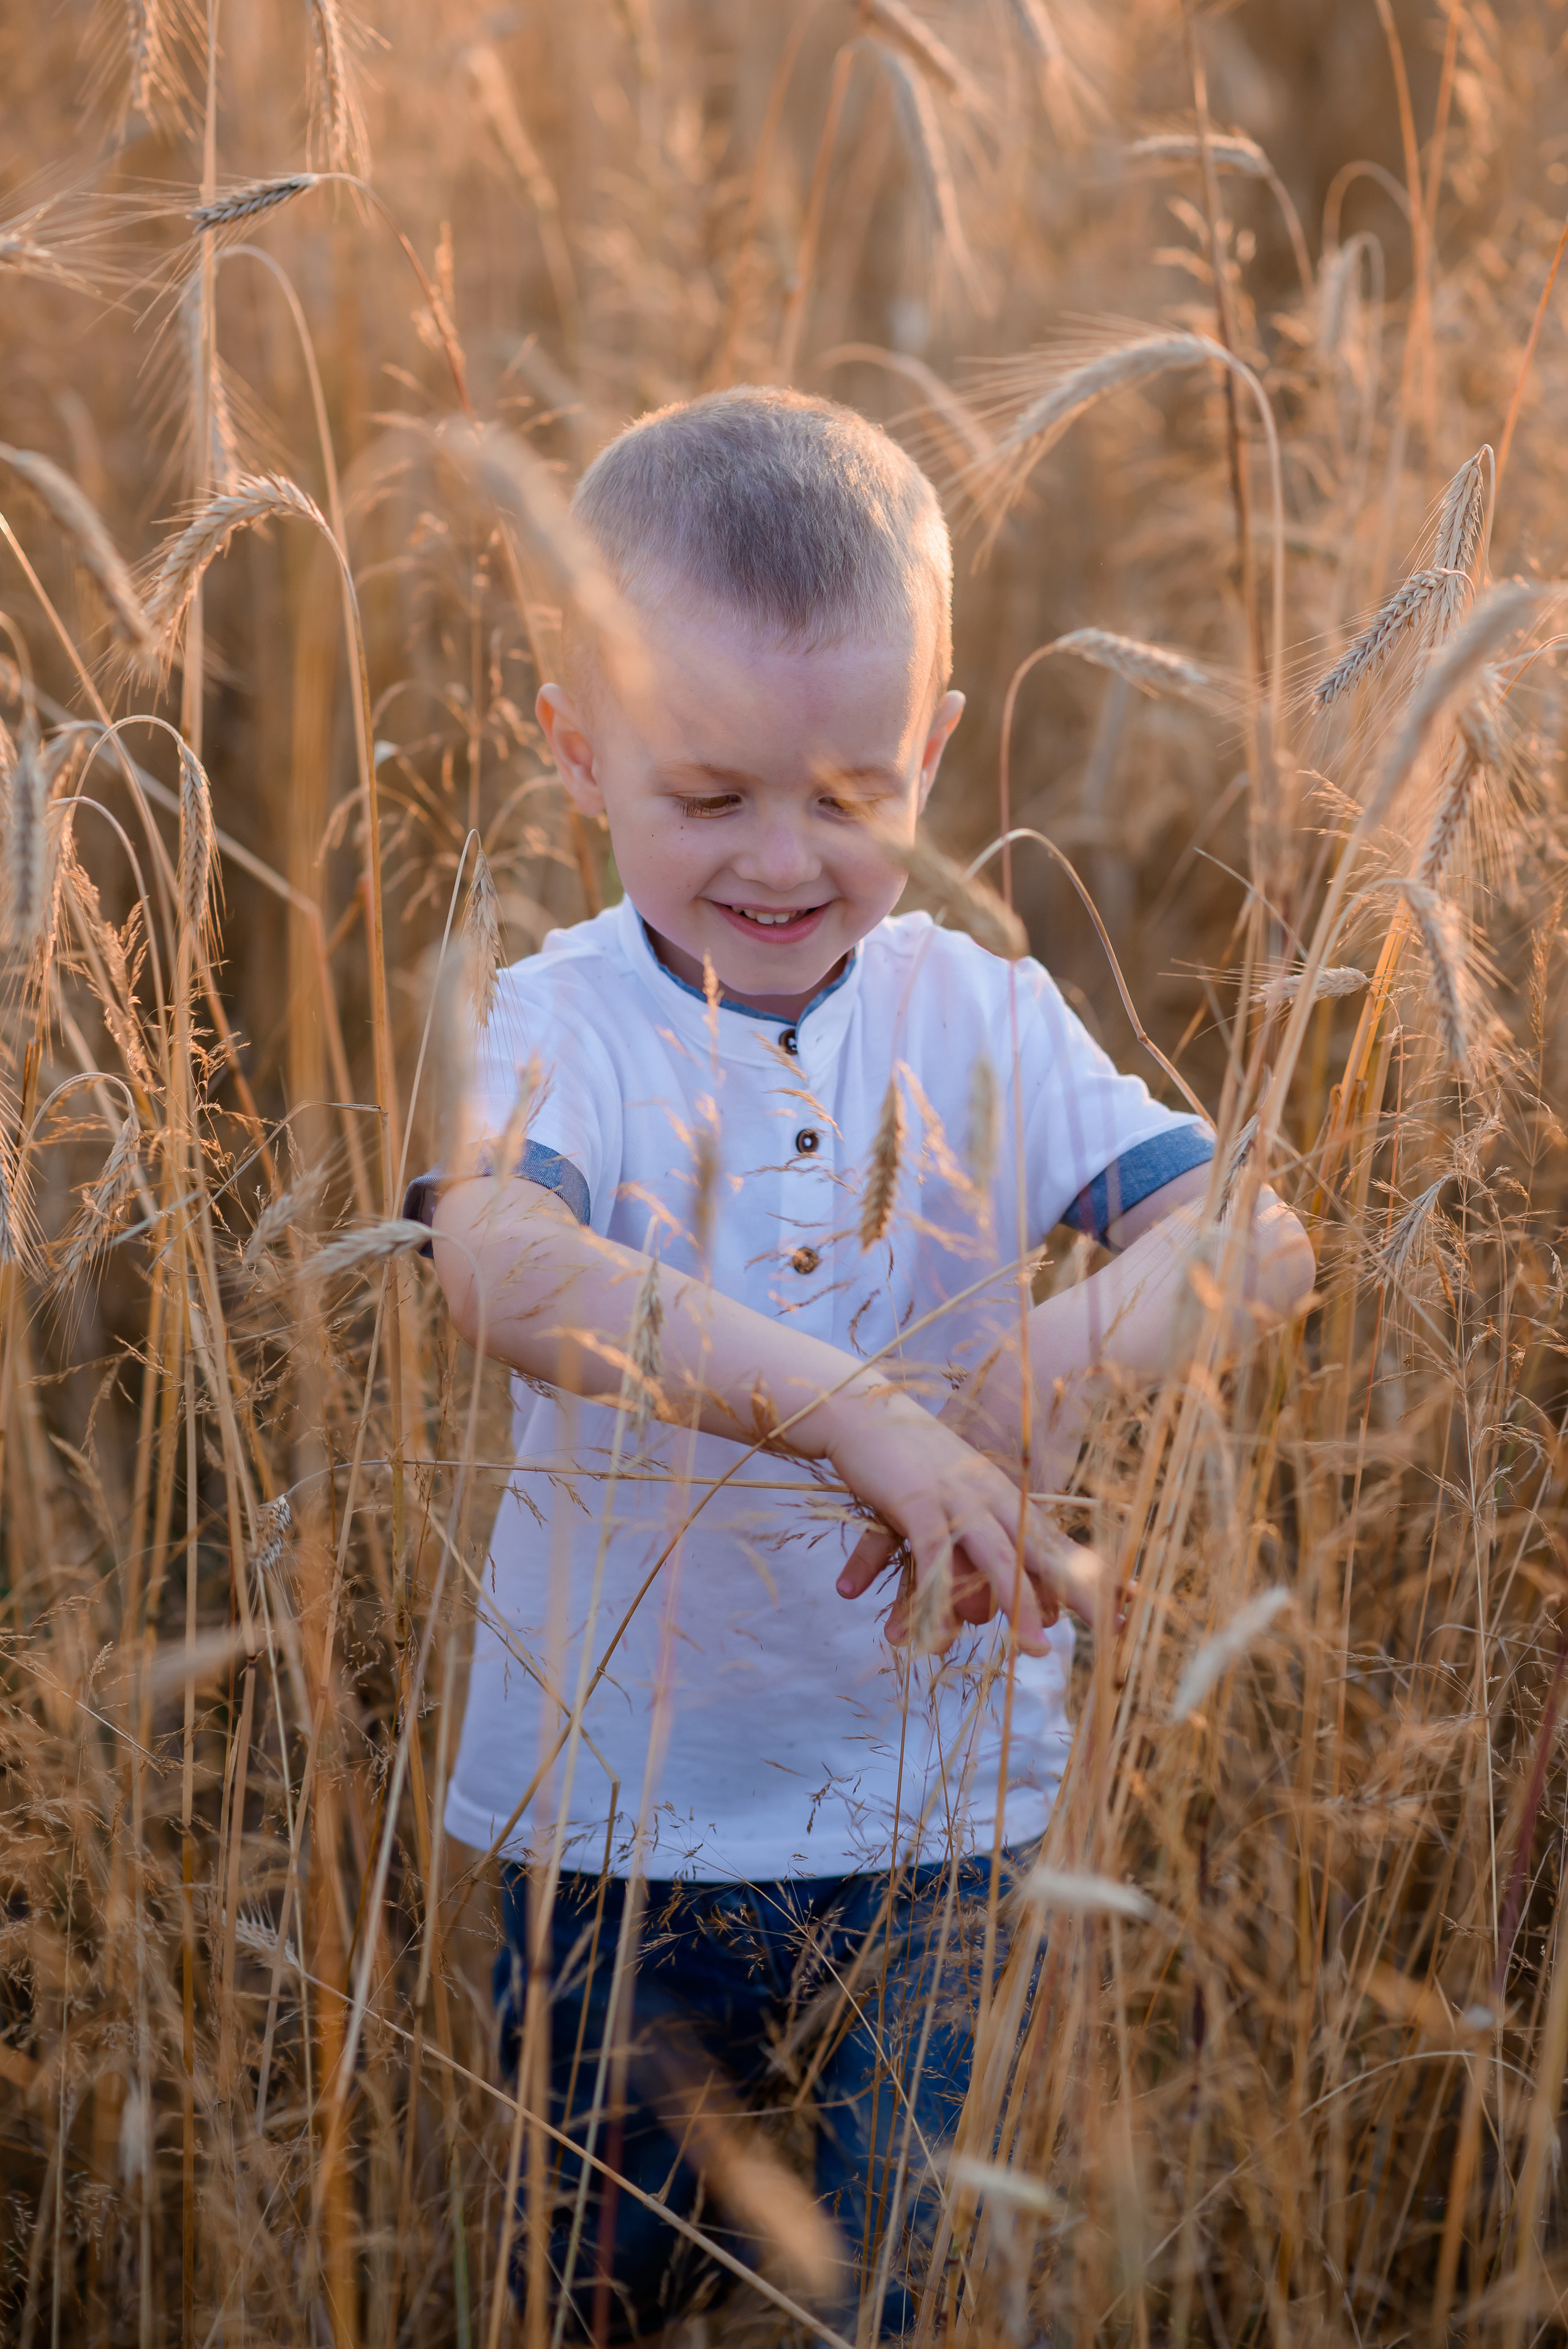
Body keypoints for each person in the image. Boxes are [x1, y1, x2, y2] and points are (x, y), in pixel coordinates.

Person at [413, 387, 1314, 2340]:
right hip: (629, 1840)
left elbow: (1257, 1233)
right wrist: (844, 1400)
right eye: (707, 791)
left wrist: (1052, 1352)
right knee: (598, 2292)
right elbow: (492, 1255)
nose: (780, 859)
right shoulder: (560, 1022)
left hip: (950, 1824)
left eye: (850, 794)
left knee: (892, 2297)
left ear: (938, 746)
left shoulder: (982, 1009)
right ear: (578, 750)